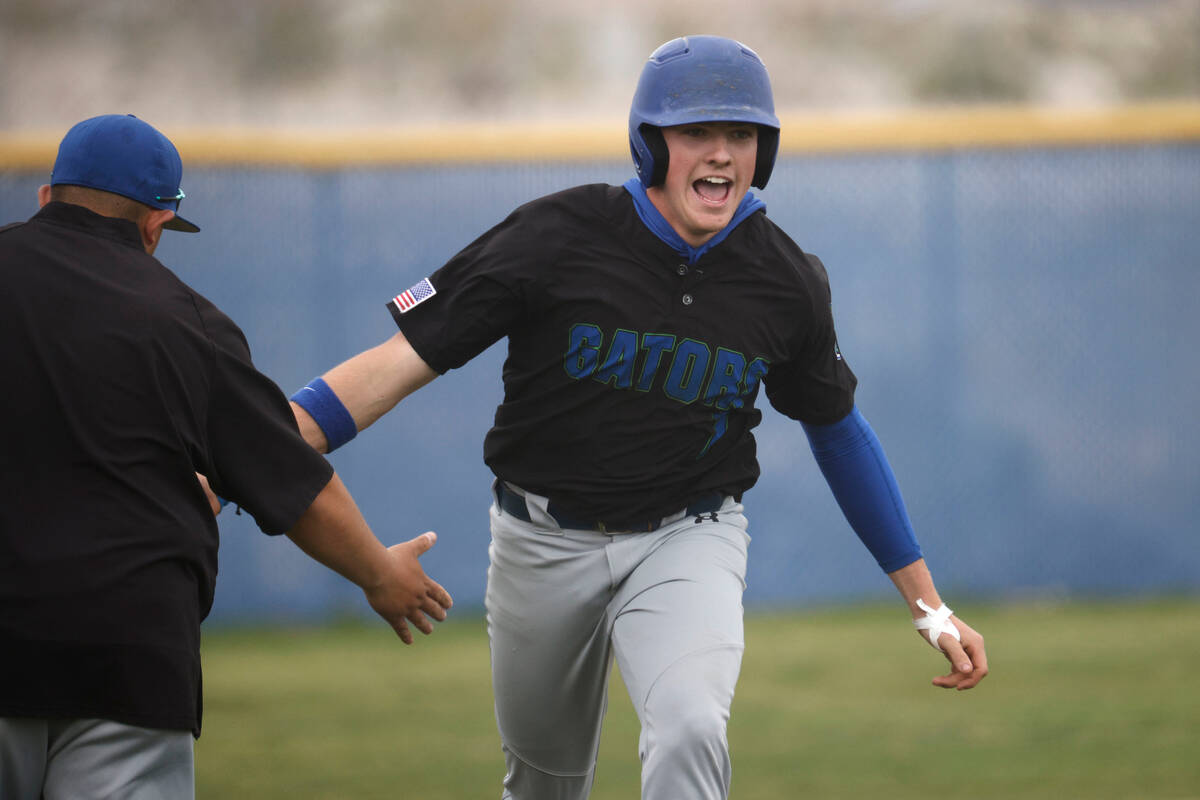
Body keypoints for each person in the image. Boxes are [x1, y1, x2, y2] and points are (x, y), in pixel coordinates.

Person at [289, 35, 988, 800]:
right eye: (696, 133)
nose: (720, 154)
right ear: (650, 145)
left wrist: (930, 607)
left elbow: (838, 430)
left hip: (688, 536)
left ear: (765, 153)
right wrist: (255, 447)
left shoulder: (786, 280)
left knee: (691, 730)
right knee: (544, 784)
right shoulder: (555, 236)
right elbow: (399, 362)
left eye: (741, 135)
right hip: (540, 542)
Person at [0, 114, 453, 800]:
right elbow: (295, 486)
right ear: (155, 225)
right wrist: (379, 574)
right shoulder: (187, 322)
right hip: (128, 653)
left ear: (44, 197)